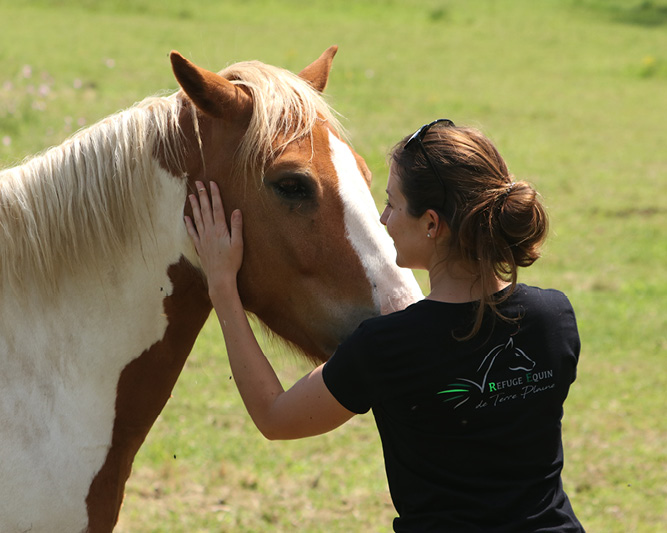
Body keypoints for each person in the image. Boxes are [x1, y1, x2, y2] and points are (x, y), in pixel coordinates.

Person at [184, 119, 584, 532]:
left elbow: (274, 417)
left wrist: (221, 285)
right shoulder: (554, 316)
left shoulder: (388, 347)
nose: (383, 217)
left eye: (392, 203)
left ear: (431, 223)